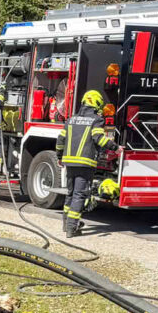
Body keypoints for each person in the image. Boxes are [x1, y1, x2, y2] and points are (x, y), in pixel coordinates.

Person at [55, 90, 114, 236]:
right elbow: (98, 139)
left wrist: (59, 156)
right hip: (85, 163)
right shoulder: (96, 120)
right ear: (96, 104)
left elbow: (60, 140)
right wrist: (115, 147)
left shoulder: (70, 120)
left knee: (70, 193)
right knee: (79, 195)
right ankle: (71, 228)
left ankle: (66, 224)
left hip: (69, 162)